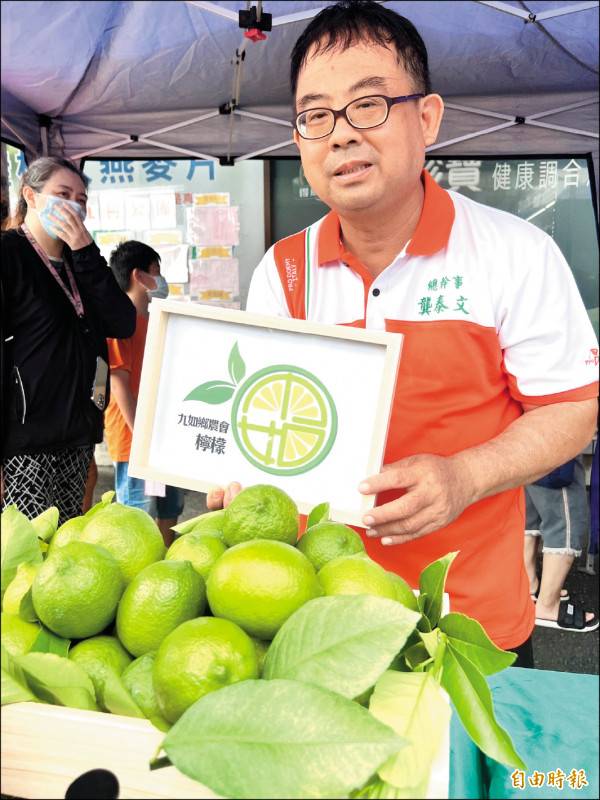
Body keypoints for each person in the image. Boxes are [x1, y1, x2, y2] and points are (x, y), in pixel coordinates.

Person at [208, 1, 599, 663]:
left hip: (468, 626)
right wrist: (238, 474)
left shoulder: (513, 252)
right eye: (315, 115)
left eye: (368, 104)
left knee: (480, 768)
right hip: (314, 626)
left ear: (426, 119)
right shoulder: (283, 269)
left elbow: (570, 408)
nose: (340, 135)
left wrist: (467, 475)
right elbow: (267, 419)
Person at [1, 156, 136, 522]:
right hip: (24, 441)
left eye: (81, 198)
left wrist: (86, 251)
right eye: (63, 194)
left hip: (77, 435)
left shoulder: (84, 261)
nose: (74, 205)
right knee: (27, 552)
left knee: (67, 545)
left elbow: (123, 322)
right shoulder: (9, 253)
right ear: (30, 195)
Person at [105, 240, 184, 547]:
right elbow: (119, 383)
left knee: (169, 507)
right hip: (133, 440)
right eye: (156, 271)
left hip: (160, 436)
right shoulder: (120, 324)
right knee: (138, 516)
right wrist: (142, 436)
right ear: (139, 276)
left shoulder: (153, 320)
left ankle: (166, 563)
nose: (161, 278)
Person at [524, 455, 598, 632]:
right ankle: (547, 606)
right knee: (566, 519)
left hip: (523, 437)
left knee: (531, 508)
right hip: (551, 441)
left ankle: (529, 585)